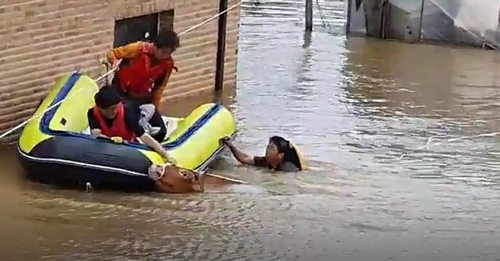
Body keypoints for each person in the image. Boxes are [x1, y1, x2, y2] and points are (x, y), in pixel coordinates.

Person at [87, 85, 174, 163]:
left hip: (128, 145)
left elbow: (143, 136)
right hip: (108, 145)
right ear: (99, 108)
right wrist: (111, 140)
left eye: (115, 108)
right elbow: (96, 134)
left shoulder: (127, 112)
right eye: (108, 109)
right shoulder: (92, 113)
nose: (113, 112)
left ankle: (147, 123)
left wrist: (165, 154)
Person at [106, 29, 180, 108]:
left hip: (139, 96)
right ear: (155, 46)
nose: (166, 56)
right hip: (120, 90)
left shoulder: (168, 63)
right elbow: (113, 53)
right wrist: (114, 61)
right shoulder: (138, 49)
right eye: (163, 52)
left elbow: (159, 88)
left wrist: (154, 108)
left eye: (169, 53)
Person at [220, 135, 304, 172]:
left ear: (280, 155)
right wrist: (229, 144)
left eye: (271, 148)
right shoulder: (266, 161)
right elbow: (245, 159)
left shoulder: (288, 169)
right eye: (268, 146)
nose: (267, 150)